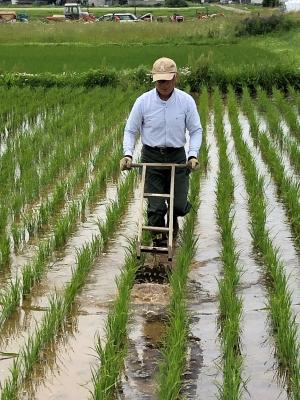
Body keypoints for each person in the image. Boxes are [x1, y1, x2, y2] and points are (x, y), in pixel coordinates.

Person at [120, 57, 202, 246]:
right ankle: (159, 244)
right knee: (155, 209)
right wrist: (127, 154)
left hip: (177, 157)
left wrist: (193, 155)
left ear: (176, 77)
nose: (163, 84)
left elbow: (196, 130)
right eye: (160, 80)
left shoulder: (186, 101)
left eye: (167, 79)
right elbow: (131, 130)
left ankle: (173, 218)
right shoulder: (143, 102)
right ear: (154, 79)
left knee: (179, 206)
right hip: (151, 156)